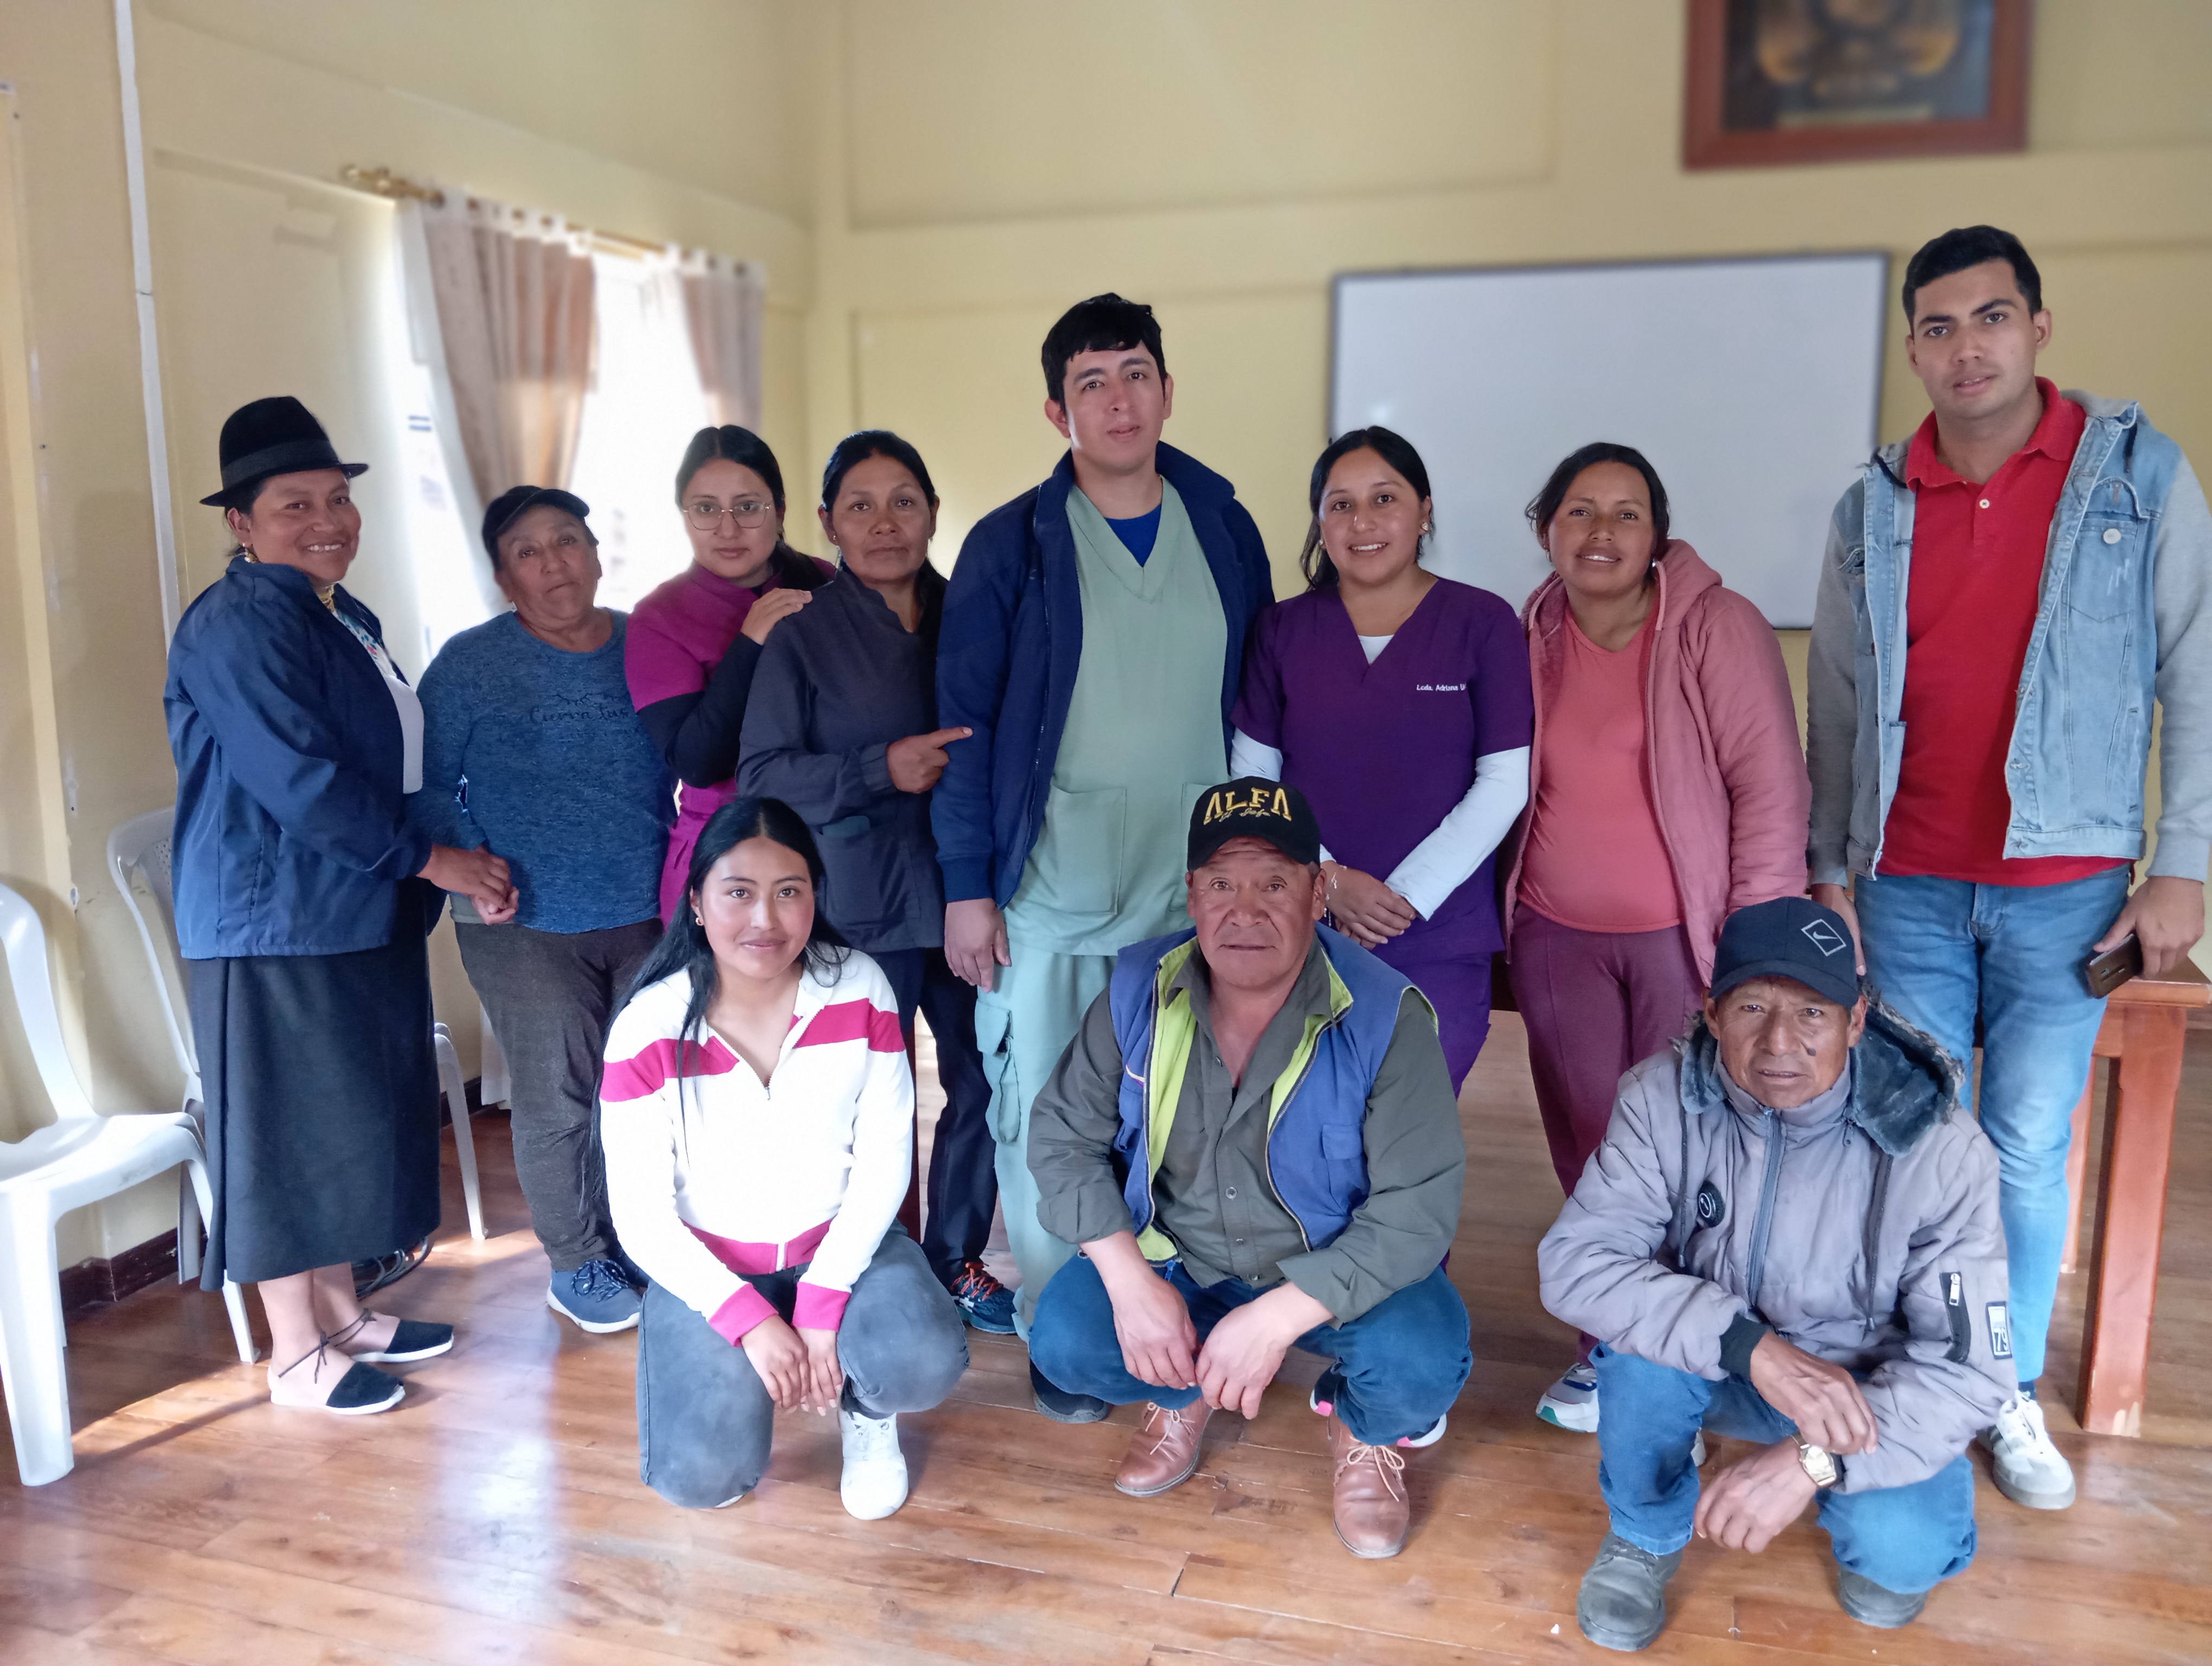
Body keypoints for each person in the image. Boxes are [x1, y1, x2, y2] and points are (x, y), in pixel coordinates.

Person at [1806, 226, 2212, 1513]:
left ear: (2037, 327)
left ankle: (2003, 1385)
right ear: (1911, 349)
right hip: (1906, 881)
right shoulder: (1872, 503)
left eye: (1989, 318)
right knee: (1916, 1139)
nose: (1964, 347)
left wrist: (2186, 861)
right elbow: (1836, 697)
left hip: (2068, 886)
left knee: (2028, 1146)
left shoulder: (2135, 475)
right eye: (1936, 326)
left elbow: (2196, 667)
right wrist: (1829, 865)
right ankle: (1920, 1363)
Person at [934, 294, 1274, 1415]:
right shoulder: (1010, 546)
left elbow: (1260, 706)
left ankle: (1172, 1321)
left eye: (1135, 375)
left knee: (1181, 1120)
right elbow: (965, 728)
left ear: (1167, 392)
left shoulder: (1222, 527)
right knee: (1048, 1116)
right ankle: (1062, 1332)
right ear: (1057, 410)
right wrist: (969, 888)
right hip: (1053, 890)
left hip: (1191, 891)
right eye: (1091, 382)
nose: (1118, 400)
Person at [166, 396, 517, 1414]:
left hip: (351, 902)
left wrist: (427, 858)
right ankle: (293, 1353)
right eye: (295, 505)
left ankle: (339, 1312)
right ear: (241, 522)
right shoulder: (238, 624)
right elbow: (303, 780)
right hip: (275, 918)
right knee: (288, 1129)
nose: (328, 521)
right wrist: (433, 861)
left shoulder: (332, 612)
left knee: (341, 1124)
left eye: (338, 499)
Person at [1539, 896, 2010, 1649]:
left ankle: (1864, 1509)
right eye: (1752, 1007)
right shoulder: (1658, 1099)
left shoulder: (1940, 1147)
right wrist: (1749, 1347)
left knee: (1902, 1557)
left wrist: (1811, 1460)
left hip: (1864, 1389)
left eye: (1813, 1012)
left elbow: (1971, 1370)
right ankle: (1644, 1531)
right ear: (1713, 1013)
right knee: (1633, 1355)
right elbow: (1576, 1264)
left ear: (1856, 1021)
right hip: (1723, 1361)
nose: (1780, 1042)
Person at [1026, 779, 1470, 1560]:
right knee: (1068, 1340)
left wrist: (1275, 1320)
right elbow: (1063, 1137)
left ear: (1318, 893)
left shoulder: (1384, 1016)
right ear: (1192, 895)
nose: (1246, 910)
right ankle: (1182, 1391)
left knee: (1424, 1359)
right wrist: (1131, 1285)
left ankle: (1364, 1433)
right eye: (1222, 884)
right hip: (1183, 1261)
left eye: (1274, 884)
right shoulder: (1138, 991)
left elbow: (1417, 1210)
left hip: (1334, 1274)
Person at [1505, 441, 1809, 1437]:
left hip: (1689, 944)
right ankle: (1608, 1349)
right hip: (1556, 939)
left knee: (1695, 1153)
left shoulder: (1718, 626)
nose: (1602, 532)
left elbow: (1770, 787)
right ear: (1545, 528)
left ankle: (1698, 1354)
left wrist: (1758, 946)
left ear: (1658, 533)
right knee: (1590, 1146)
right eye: (1580, 512)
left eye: (1626, 513)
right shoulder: (1531, 630)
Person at [600, 797, 969, 1517]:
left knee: (919, 1359)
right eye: (738, 893)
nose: (765, 920)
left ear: (814, 897)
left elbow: (886, 1160)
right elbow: (641, 1218)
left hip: (844, 1247)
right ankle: (745, 1388)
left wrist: (823, 1301)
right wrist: (748, 1319)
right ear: (697, 902)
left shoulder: (859, 987)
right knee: (700, 1481)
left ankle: (868, 1413)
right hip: (711, 1264)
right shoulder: (649, 1027)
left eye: (789, 892)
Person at [737, 432, 1011, 1332]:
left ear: (933, 513)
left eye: (904, 501)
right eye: (860, 505)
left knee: (984, 1081)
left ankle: (955, 1259)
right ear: (828, 522)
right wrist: (875, 769)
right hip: (863, 901)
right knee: (863, 1101)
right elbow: (761, 775)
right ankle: (871, 1270)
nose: (885, 522)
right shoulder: (804, 636)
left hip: (975, 897)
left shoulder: (978, 618)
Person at [410, 485, 674, 1335]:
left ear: (596, 554)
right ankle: (575, 1259)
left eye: (567, 541)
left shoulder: (647, 645)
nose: (553, 563)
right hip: (521, 919)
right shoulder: (469, 666)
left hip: (647, 908)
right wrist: (471, 860)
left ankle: (643, 1241)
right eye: (528, 552)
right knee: (559, 1094)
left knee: (646, 1091)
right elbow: (423, 789)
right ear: (503, 577)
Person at [1231, 426, 1531, 1091]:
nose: (1362, 522)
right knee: (1303, 1119)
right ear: (1320, 524)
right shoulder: (1282, 630)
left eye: (1385, 499)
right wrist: (1328, 879)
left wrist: (1405, 897)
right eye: (1340, 505)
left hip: (1437, 934)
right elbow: (1253, 779)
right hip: (1301, 926)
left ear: (1425, 512)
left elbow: (1505, 780)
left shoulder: (1483, 622)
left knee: (1409, 1125)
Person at [625, 426, 832, 923]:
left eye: (748, 507)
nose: (727, 528)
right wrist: (750, 641)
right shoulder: (660, 616)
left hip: (831, 839)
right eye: (705, 508)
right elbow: (697, 763)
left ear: (779, 511)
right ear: (684, 515)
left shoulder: (825, 583)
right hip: (723, 853)